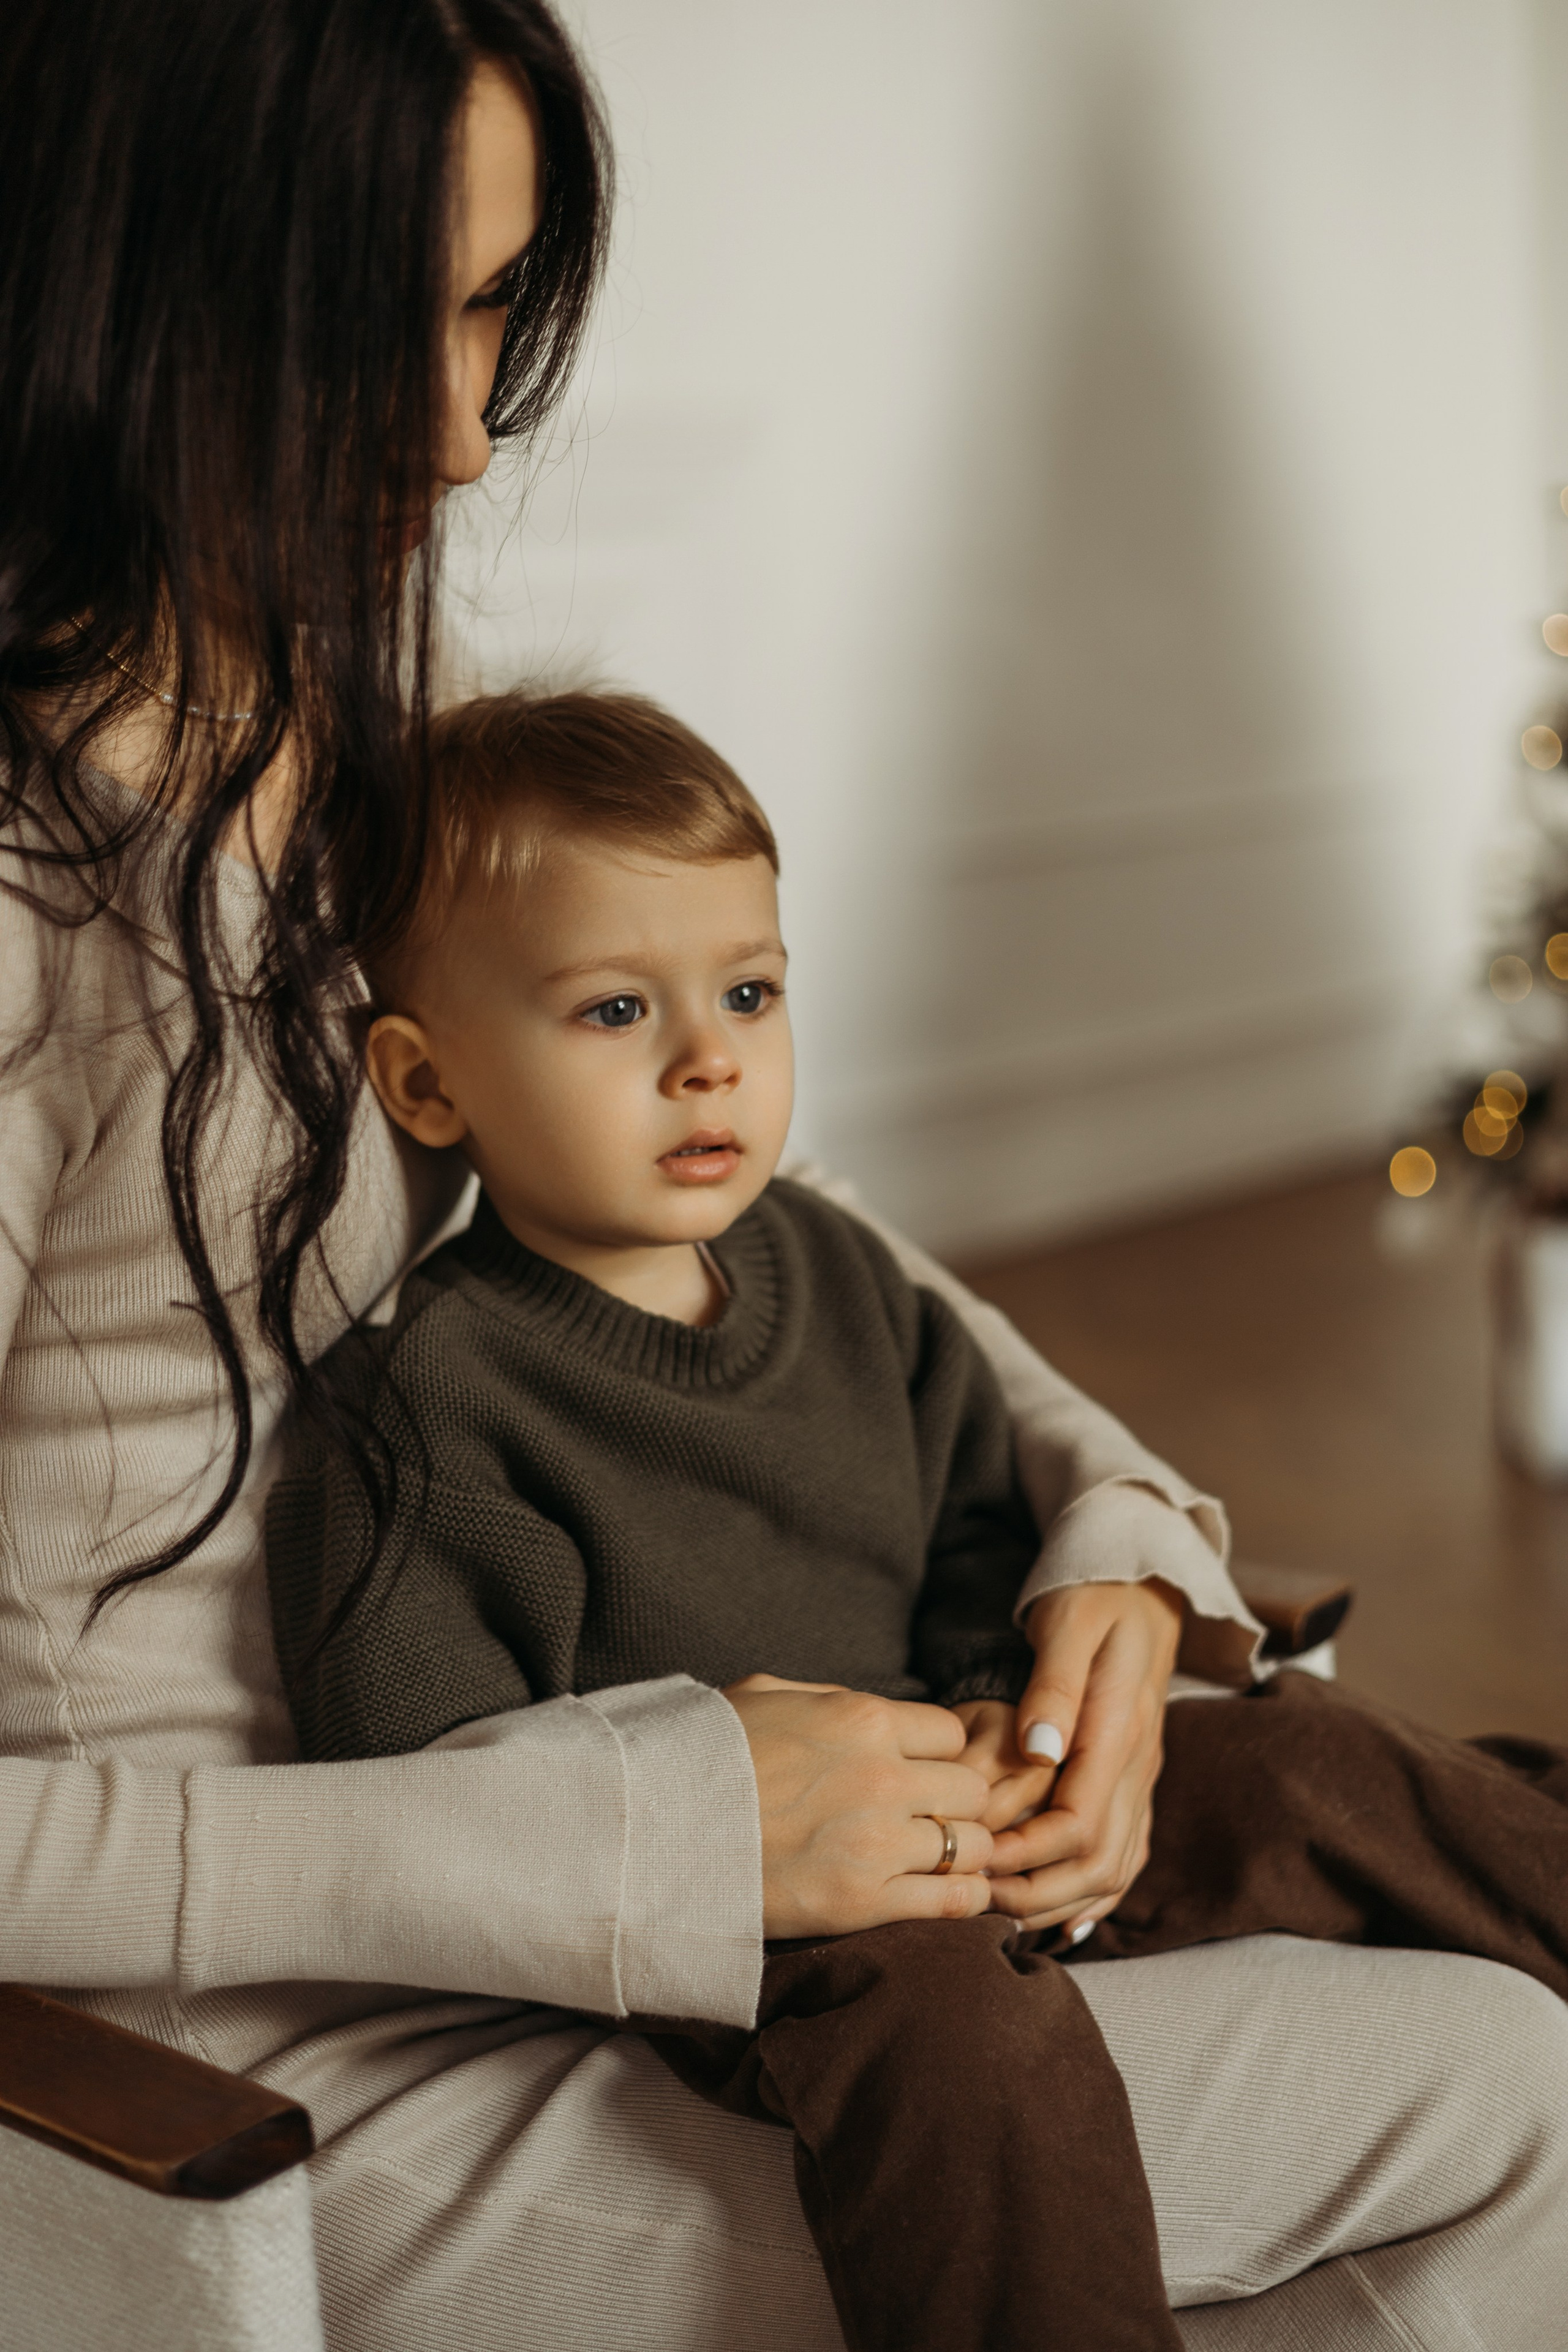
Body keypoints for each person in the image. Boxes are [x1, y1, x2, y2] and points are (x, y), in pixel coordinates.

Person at [1, 6, 1565, 2348]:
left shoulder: (365, 782)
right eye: (375, 319)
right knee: (1503, 2080)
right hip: (236, 2031)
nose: (453, 432)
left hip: (629, 1848)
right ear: (118, 295)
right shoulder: (37, 902)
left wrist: (1123, 1547)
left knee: (1426, 1883)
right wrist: (657, 1834)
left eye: (493, 311)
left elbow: (792, 1234)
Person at [263, 684, 1184, 2352]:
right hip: (746, 1925)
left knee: (1325, 1771)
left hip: (965, 1795)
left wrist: (1012, 1713)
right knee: (958, 2037)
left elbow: (979, 1513)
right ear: (424, 1084)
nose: (710, 1059)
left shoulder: (834, 1271)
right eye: (616, 1012)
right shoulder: (428, 1409)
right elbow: (426, 1789)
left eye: (748, 992)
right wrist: (703, 1843)